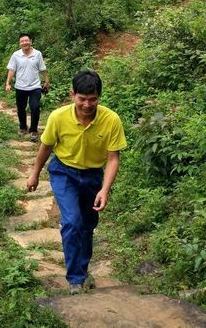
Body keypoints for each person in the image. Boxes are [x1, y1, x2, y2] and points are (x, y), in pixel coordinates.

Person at [26, 69, 126, 294]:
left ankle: (82, 268)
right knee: (72, 222)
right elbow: (46, 147)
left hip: (92, 176)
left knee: (87, 225)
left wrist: (105, 189)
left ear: (99, 97)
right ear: (72, 95)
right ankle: (75, 279)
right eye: (82, 99)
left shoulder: (111, 120)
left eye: (93, 100)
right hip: (64, 173)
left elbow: (113, 158)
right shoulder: (58, 117)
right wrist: (34, 174)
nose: (87, 105)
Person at [5, 33, 50, 142]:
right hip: (20, 87)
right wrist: (8, 83)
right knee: (21, 108)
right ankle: (23, 127)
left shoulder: (37, 54)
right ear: (19, 43)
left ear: (31, 41)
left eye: (26, 40)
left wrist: (47, 80)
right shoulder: (16, 55)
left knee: (35, 107)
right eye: (22, 41)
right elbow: (12, 70)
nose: (24, 43)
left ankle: (34, 130)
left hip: (35, 87)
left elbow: (42, 68)